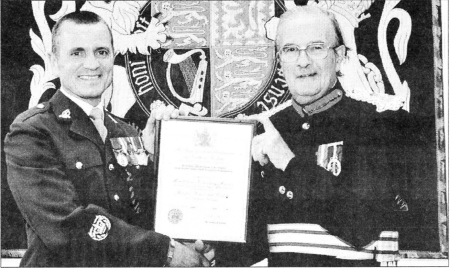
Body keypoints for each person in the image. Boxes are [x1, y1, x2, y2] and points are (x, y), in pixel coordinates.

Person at [4, 11, 211, 267]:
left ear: (113, 56)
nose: (92, 64)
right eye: (77, 53)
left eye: (101, 52)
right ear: (55, 60)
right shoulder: (32, 132)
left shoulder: (126, 132)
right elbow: (68, 228)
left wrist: (155, 158)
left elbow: (141, 218)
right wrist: (167, 251)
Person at [251, 5, 414, 266]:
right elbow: (257, 240)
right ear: (279, 59)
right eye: (291, 50)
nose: (303, 61)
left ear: (338, 56)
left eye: (316, 48)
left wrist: (289, 162)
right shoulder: (264, 130)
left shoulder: (379, 123)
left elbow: (363, 224)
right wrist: (212, 251)